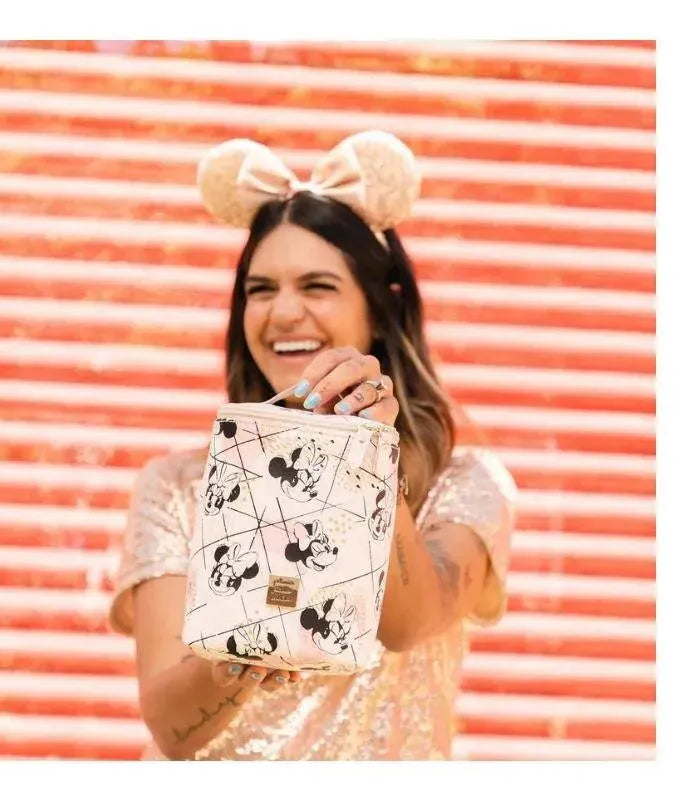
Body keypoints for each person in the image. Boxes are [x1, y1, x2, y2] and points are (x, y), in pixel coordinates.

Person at [108, 130, 518, 760]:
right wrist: (242, 652)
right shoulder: (179, 487)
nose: (283, 313)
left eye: (317, 286)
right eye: (260, 289)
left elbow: (408, 624)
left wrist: (370, 455)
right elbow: (170, 728)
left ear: (381, 309)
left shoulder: (463, 483)